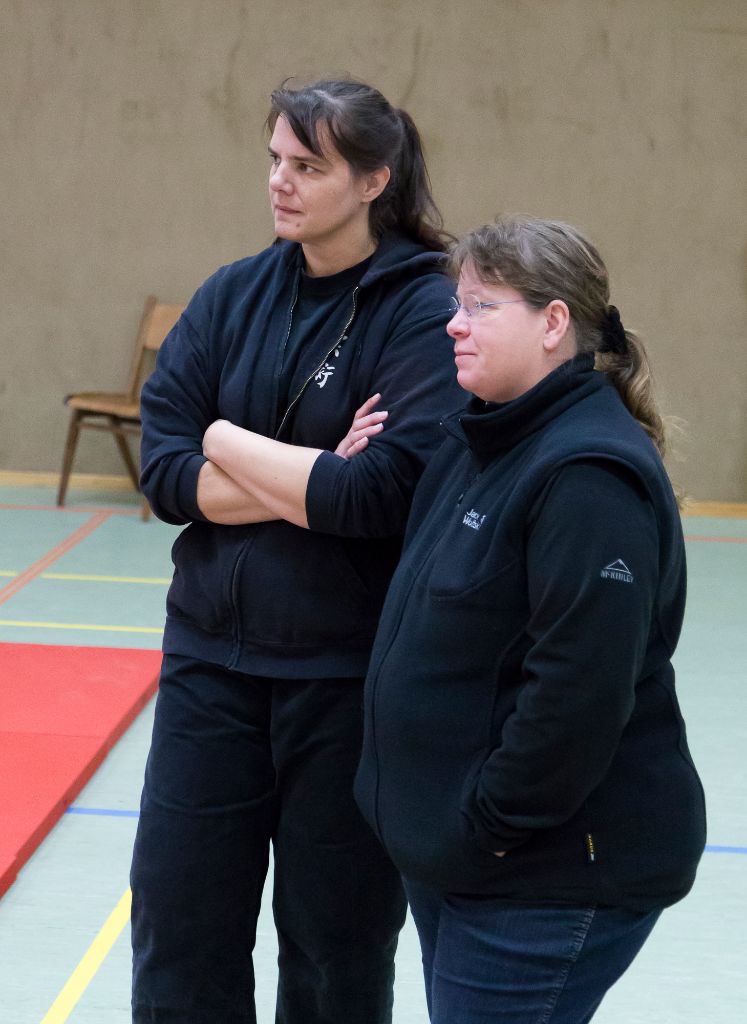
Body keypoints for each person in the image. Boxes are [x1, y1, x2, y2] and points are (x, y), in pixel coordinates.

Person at [130, 78, 463, 1024]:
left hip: (345, 680)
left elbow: (375, 494)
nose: (279, 181)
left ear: (373, 181)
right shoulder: (231, 293)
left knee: (333, 947)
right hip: (208, 666)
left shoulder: (422, 310)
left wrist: (225, 442)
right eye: (275, 159)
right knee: (178, 928)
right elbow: (164, 472)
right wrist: (305, 469)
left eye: (307, 166)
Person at [354, 215, 707, 1024]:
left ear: (552, 324)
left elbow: (577, 695)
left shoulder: (586, 477)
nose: (453, 323)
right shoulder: (481, 438)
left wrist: (486, 827)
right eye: (457, 303)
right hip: (467, 862)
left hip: (541, 876)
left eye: (480, 306)